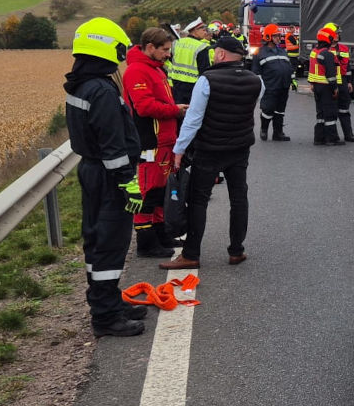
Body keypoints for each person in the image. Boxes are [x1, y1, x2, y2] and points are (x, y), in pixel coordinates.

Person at [64, 17, 146, 337]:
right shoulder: (101, 89)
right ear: (107, 48)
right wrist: (129, 184)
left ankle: (108, 300)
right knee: (110, 243)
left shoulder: (82, 84)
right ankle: (106, 316)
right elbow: (113, 145)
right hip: (109, 176)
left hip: (93, 171)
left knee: (96, 239)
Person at [162, 36, 262, 269]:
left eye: (216, 52)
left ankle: (191, 254)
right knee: (239, 199)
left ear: (221, 54)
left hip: (209, 150)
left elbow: (193, 120)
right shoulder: (255, 80)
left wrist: (179, 149)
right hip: (240, 149)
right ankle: (236, 251)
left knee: (199, 201)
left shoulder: (207, 80)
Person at [123, 27, 188, 258]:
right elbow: (144, 107)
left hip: (165, 141)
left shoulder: (157, 69)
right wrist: (175, 110)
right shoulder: (137, 71)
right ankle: (146, 242)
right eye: (165, 50)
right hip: (150, 142)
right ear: (150, 47)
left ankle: (161, 234)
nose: (168, 54)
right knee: (148, 192)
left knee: (161, 191)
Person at [252, 23, 293, 141]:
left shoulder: (282, 51)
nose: (279, 38)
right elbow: (256, 71)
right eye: (276, 36)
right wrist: (258, 86)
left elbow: (288, 66)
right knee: (268, 109)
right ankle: (264, 129)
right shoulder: (259, 52)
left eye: (279, 36)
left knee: (280, 110)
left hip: (284, 86)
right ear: (268, 37)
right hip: (270, 86)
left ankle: (278, 133)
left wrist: (292, 80)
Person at [308, 25, 344, 145]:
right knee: (330, 113)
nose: (334, 40)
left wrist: (312, 83)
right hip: (326, 86)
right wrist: (335, 88)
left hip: (317, 86)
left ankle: (319, 138)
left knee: (321, 113)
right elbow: (331, 74)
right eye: (332, 38)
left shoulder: (314, 51)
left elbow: (312, 69)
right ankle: (331, 138)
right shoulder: (328, 54)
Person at [170, 17, 213, 104]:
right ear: (195, 30)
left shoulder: (176, 42)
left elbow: (170, 59)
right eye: (204, 30)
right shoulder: (201, 47)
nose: (205, 33)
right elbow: (204, 70)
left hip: (175, 83)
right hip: (193, 86)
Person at [327, 23, 354, 142]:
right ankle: (332, 136)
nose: (338, 35)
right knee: (331, 110)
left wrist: (349, 82)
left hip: (343, 83)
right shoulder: (324, 49)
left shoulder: (344, 48)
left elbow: (347, 66)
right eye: (336, 33)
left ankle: (348, 134)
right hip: (330, 84)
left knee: (344, 109)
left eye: (339, 34)